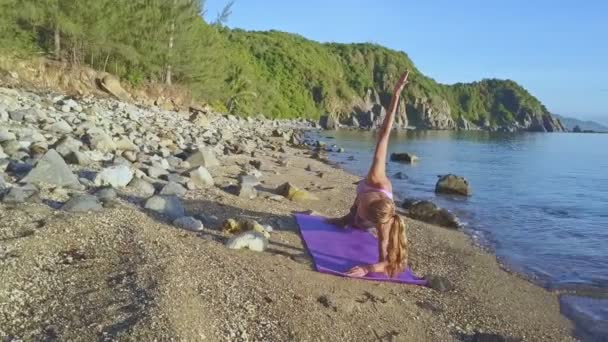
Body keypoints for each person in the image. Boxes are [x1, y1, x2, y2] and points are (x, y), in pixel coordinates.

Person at [327, 71, 410, 278]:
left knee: (356, 223)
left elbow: (387, 263)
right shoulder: (377, 177)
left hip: (372, 214)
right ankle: (347, 218)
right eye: (360, 211)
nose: (360, 213)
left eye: (361, 215)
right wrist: (396, 94)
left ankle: (349, 220)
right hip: (369, 196)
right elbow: (384, 134)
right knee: (352, 218)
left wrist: (367, 269)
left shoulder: (383, 225)